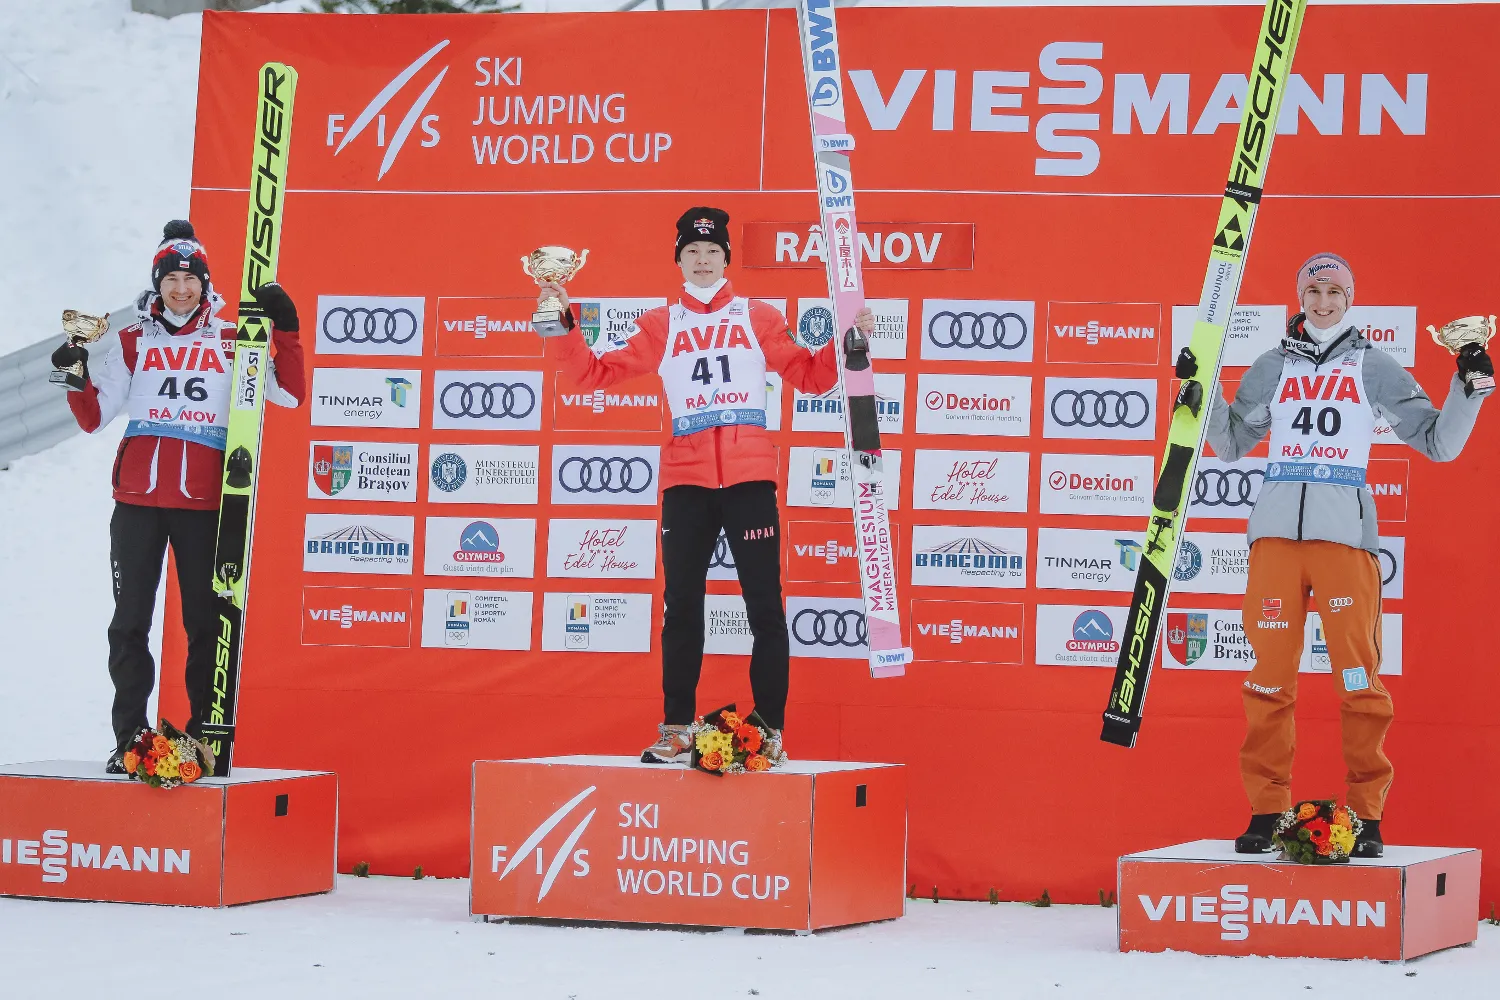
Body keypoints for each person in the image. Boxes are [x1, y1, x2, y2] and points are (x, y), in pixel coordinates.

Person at [535, 206, 874, 764]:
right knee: (682, 607)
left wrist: (847, 342)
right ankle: (676, 729)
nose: (701, 260)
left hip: (749, 480)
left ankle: (769, 732)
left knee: (764, 606)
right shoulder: (661, 323)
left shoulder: (757, 316)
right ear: (678, 260)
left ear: (725, 258)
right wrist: (562, 326)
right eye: (691, 252)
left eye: (712, 251)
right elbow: (592, 373)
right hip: (686, 482)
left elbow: (811, 376)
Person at [1204, 252, 1490, 856]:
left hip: (1344, 542)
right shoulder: (1272, 365)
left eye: (1334, 291)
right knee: (1268, 681)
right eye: (1314, 291)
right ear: (1300, 298)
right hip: (1276, 541)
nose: (1324, 301)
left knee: (1359, 681)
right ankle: (1266, 811)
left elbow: (1438, 443)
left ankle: (1366, 815)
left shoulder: (1373, 365)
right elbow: (1229, 444)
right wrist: (1199, 387)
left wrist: (1469, 385)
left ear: (1350, 299)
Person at [51, 220, 305, 771]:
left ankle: (201, 739)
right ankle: (129, 739)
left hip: (204, 504)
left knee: (205, 625)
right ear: (157, 283)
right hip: (137, 501)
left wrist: (285, 329)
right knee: (129, 623)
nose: (182, 289)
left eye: (191, 279)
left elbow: (288, 393)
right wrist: (74, 377)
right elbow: (94, 418)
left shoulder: (233, 337)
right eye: (171, 279)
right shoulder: (132, 339)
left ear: (205, 284)